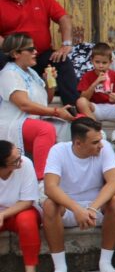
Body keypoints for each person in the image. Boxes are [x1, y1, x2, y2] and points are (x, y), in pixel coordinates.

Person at [41, 117, 115, 272]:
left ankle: (105, 263)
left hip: (95, 207)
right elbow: (50, 187)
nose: (100, 145)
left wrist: (92, 209)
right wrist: (77, 209)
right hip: (68, 208)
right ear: (78, 143)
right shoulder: (58, 150)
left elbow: (114, 182)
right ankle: (60, 267)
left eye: (100, 140)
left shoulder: (105, 147)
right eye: (95, 142)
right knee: (49, 205)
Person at [0, 0, 79, 105]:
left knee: (62, 61)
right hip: (12, 55)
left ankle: (74, 111)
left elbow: (63, 18)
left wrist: (66, 44)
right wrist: (11, 50)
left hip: (41, 54)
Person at [0, 33, 76, 181]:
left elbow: (44, 101)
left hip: (33, 120)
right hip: (14, 123)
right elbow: (24, 104)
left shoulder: (31, 72)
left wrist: (50, 82)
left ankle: (70, 173)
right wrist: (56, 112)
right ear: (16, 53)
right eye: (31, 49)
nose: (36, 52)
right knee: (45, 129)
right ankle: (42, 178)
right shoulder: (9, 73)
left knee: (79, 121)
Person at [0, 140, 43, 272]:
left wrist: (3, 215)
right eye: (15, 161)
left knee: (27, 221)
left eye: (18, 154)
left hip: (20, 209)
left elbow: (27, 201)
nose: (20, 161)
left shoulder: (25, 163)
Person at [75, 42, 115, 141]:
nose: (100, 66)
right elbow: (83, 97)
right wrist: (95, 83)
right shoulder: (88, 76)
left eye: (104, 63)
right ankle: (97, 129)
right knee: (80, 102)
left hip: (114, 108)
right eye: (97, 62)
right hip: (96, 109)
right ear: (92, 61)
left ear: (110, 62)